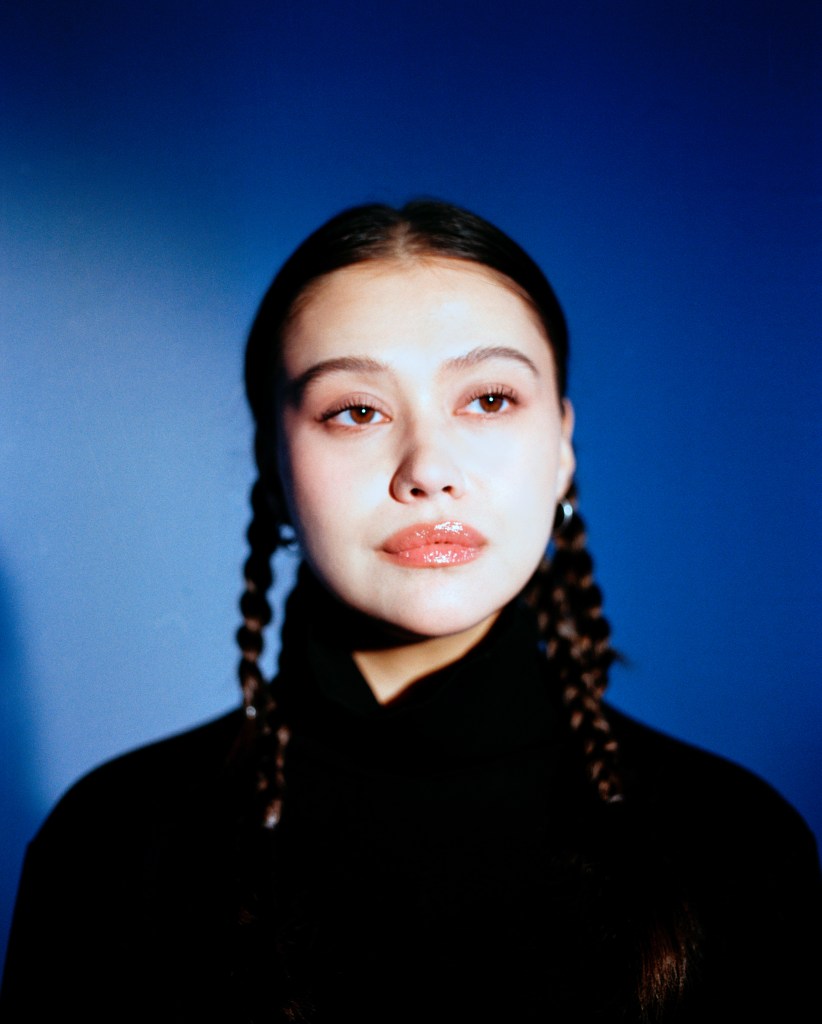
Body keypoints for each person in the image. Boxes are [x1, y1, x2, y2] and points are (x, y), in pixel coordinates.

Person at [1, 199, 819, 1023]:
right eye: (356, 411)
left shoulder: (737, 846)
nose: (428, 468)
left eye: (489, 400)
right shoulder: (111, 844)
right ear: (273, 463)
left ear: (563, 445)